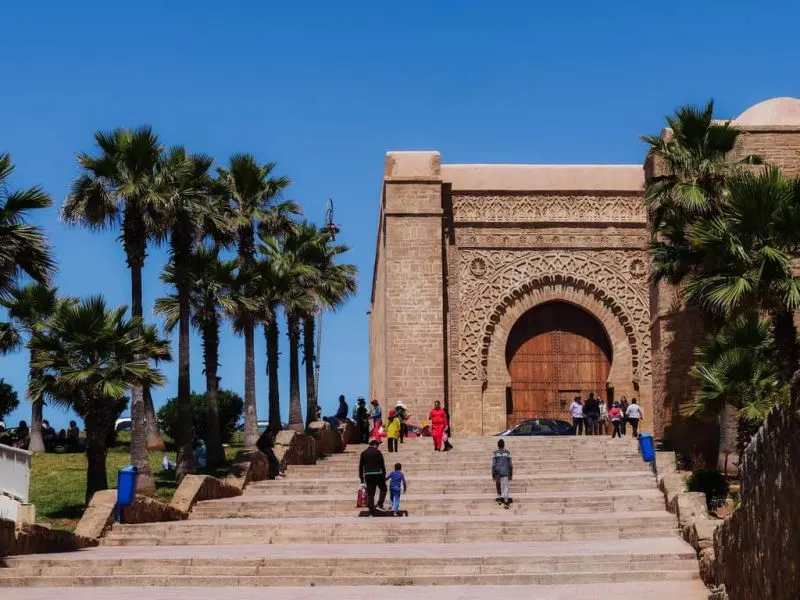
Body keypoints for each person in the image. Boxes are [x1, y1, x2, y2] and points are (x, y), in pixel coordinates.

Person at [359, 439, 387, 514]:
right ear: (375, 445)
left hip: (367, 474)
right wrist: (384, 475)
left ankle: (371, 508)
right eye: (377, 445)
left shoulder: (363, 453)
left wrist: (361, 478)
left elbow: (361, 466)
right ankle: (380, 504)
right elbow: (382, 464)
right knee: (383, 489)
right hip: (377, 474)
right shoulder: (378, 452)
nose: (377, 447)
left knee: (370, 492)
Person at [492, 439, 513, 508]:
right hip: (505, 471)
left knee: (498, 484)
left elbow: (493, 464)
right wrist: (511, 473)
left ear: (498, 445)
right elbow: (510, 464)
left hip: (497, 471)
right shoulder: (507, 452)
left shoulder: (495, 453)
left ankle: (499, 497)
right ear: (504, 445)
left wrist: (493, 473)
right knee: (505, 486)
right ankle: (506, 501)